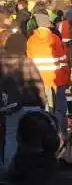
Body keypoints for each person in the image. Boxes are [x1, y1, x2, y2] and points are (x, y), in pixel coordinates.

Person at [0, 30, 45, 164]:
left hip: (10, 105)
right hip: (30, 105)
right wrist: (43, 103)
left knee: (11, 137)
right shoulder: (27, 61)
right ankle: (31, 166)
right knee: (32, 137)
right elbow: (38, 84)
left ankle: (9, 166)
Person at [26, 13, 69, 117]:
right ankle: (60, 126)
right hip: (55, 76)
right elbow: (62, 58)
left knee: (45, 105)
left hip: (39, 77)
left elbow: (29, 59)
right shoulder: (54, 38)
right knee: (59, 105)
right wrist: (67, 76)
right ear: (48, 24)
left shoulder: (31, 40)